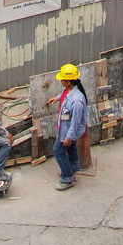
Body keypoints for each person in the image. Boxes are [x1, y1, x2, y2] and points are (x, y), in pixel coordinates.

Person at [50, 63, 88, 191]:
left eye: (62, 79)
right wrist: (57, 98)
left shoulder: (76, 101)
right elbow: (64, 95)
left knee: (58, 151)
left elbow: (75, 123)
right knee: (71, 149)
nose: (61, 81)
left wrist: (69, 137)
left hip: (68, 132)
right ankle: (72, 170)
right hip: (65, 129)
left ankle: (68, 178)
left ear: (68, 81)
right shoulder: (70, 90)